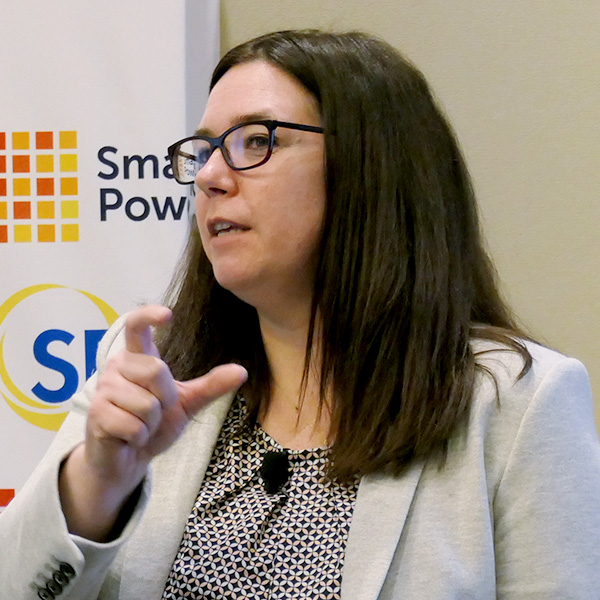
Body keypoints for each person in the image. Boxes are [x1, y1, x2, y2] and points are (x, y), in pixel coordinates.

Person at [1, 29, 599, 600]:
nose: (210, 177)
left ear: (369, 166)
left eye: (255, 141)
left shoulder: (518, 405)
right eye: (205, 151)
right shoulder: (152, 369)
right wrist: (97, 483)